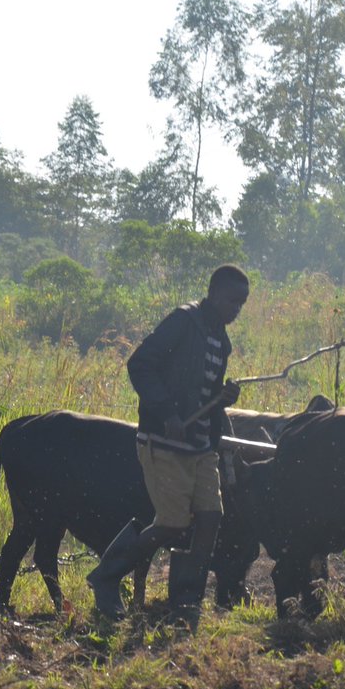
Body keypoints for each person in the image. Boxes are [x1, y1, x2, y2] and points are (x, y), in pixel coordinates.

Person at [87, 264, 250, 626]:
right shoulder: (183, 322)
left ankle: (185, 601)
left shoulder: (221, 341)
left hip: (200, 445)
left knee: (211, 517)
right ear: (213, 293)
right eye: (231, 301)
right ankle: (107, 576)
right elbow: (140, 365)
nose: (236, 309)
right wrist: (167, 414)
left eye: (241, 304)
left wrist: (223, 398)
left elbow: (205, 394)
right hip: (163, 441)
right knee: (173, 524)